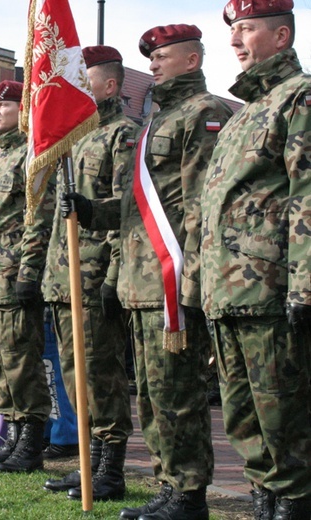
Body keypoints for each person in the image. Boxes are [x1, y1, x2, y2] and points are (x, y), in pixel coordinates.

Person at [65, 25, 233, 519]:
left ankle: (188, 494)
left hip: (173, 277)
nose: (154, 64)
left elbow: (202, 204)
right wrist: (92, 211)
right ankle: (168, 485)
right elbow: (139, 206)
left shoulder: (206, 113)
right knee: (155, 394)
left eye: (163, 56)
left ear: (191, 59)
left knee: (178, 393)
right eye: (151, 57)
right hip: (141, 278)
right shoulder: (155, 122)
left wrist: (194, 281)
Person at [200, 2, 311, 518]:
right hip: (228, 293)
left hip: (271, 289)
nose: (234, 39)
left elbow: (307, 195)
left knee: (283, 415)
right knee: (243, 416)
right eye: (232, 30)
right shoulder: (243, 113)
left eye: (245, 28)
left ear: (281, 35)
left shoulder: (300, 98)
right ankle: (266, 500)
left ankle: (293, 504)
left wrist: (305, 286)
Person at [43, 45, 137, 501]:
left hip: (96, 275)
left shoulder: (123, 135)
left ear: (110, 86)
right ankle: (89, 465)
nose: (77, 88)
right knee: (75, 377)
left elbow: (131, 210)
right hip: (64, 278)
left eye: (87, 80)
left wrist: (115, 277)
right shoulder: (74, 139)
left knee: (102, 377)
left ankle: (111, 471)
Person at [0, 80, 55, 473]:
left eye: (3, 105)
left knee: (21, 363)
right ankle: (16, 437)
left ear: (23, 110)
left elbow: (38, 218)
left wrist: (29, 273)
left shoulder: (32, 155)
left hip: (12, 277)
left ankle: (33, 443)